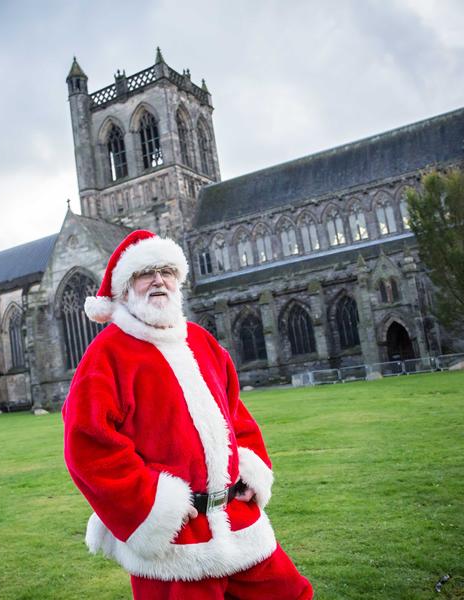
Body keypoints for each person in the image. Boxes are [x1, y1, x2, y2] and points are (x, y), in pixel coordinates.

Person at [62, 230, 313, 599]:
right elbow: (87, 444)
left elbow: (234, 415)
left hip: (238, 523)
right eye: (147, 272)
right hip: (175, 543)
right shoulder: (107, 354)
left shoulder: (200, 340)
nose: (159, 280)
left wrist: (248, 468)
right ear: (127, 287)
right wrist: (154, 507)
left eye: (166, 270)